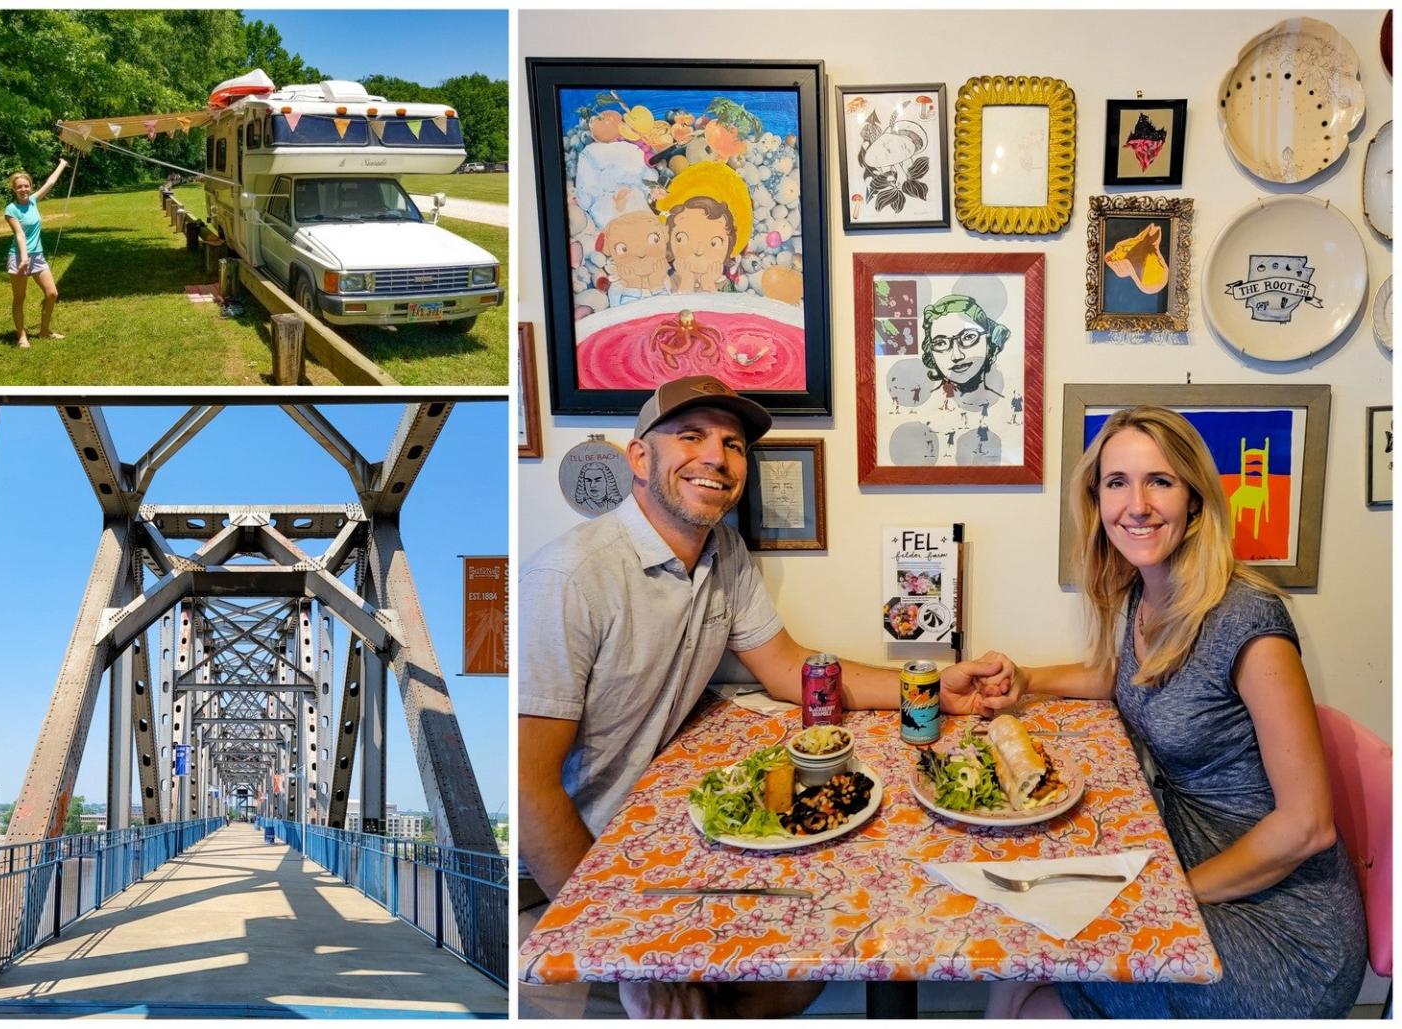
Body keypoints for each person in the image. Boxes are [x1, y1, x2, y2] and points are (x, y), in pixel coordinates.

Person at [519, 373, 1019, 1019]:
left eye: (732, 444)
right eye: (690, 436)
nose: (715, 457)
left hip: (668, 828)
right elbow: (532, 787)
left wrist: (931, 691)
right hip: (583, 860)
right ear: (638, 457)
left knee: (805, 962)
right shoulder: (570, 578)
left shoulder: (720, 549)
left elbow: (786, 668)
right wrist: (619, 949)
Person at [978, 406, 1365, 1020]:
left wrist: (1167, 897)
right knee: (1025, 940)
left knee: (1038, 971)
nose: (1137, 504)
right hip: (1195, 860)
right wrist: (1028, 679)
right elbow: (1127, 674)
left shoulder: (1249, 622)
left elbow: (1307, 827)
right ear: (1096, 500)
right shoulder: (1147, 590)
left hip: (1283, 928)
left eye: (1159, 481)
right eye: (1117, 482)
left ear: (1194, 498)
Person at [4, 159, 70, 349]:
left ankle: (44, 331)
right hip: (18, 258)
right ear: (14, 189)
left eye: (26, 186)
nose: (23, 189)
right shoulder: (11, 209)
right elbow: (19, 234)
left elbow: (50, 183)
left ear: (30, 187)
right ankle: (22, 336)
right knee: (19, 298)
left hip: (37, 256)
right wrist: (24, 258)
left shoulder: (33, 201)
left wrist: (62, 164)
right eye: (19, 187)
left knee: (51, 293)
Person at [920, 294, 1006, 407]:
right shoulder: (926, 405)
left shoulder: (1004, 402)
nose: (957, 356)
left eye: (968, 337)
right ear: (930, 353)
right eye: (940, 343)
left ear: (988, 343)